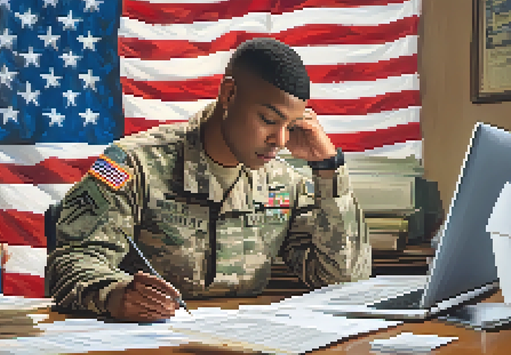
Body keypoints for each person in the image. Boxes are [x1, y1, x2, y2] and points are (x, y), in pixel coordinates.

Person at [46, 38, 372, 323]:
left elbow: (342, 280)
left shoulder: (282, 183)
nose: (281, 139)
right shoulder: (135, 164)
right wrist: (115, 295)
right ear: (229, 94)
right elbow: (71, 260)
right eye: (269, 120)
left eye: (291, 125)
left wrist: (329, 168)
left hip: (243, 343)